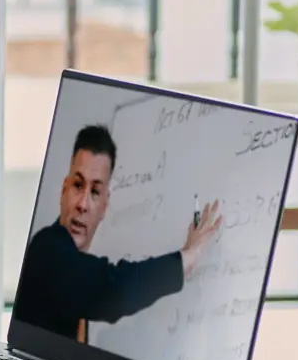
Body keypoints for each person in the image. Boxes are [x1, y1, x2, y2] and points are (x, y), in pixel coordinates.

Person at [12, 123, 221, 342]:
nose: (83, 204)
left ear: (105, 205)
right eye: (77, 185)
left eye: (95, 191)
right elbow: (111, 289)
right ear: (63, 190)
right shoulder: (46, 249)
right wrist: (186, 258)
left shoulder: (76, 272)